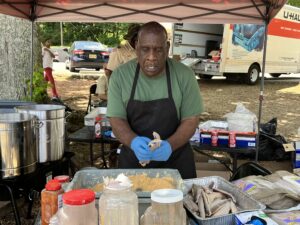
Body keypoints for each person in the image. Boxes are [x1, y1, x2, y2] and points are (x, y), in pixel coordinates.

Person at [107, 21, 204, 179]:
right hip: (134, 164)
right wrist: (133, 142)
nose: (152, 57)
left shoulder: (184, 75)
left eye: (158, 50)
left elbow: (191, 120)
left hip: (177, 163)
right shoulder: (120, 76)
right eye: (145, 49)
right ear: (136, 47)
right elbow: (116, 119)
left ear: (167, 47)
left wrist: (169, 146)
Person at [96, 24, 141, 106]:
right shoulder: (119, 51)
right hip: (123, 93)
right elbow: (110, 74)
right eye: (137, 40)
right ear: (131, 38)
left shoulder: (141, 50)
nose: (139, 43)